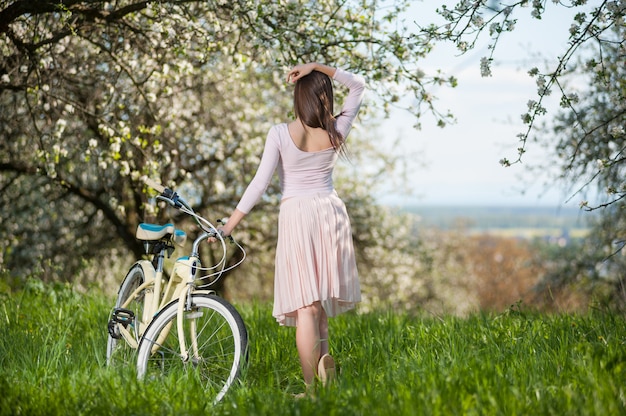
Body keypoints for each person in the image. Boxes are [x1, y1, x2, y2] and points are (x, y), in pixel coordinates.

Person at [215, 62, 365, 395]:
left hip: (299, 216)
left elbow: (258, 185)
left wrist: (229, 225)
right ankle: (325, 382)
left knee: (306, 308)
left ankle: (312, 392)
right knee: (319, 306)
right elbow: (358, 85)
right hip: (330, 213)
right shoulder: (337, 129)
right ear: (325, 97)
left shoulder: (281, 134)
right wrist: (319, 68)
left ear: (299, 99)